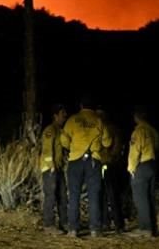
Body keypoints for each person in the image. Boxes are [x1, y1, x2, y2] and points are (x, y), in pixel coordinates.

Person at [60, 96, 111, 238]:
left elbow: (63, 140)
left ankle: (73, 229)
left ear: (81, 106)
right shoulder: (99, 121)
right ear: (93, 107)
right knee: (94, 195)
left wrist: (73, 147)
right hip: (94, 161)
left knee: (74, 194)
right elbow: (107, 142)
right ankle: (95, 229)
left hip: (75, 160)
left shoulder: (72, 120)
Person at [127, 106, 159, 237]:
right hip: (152, 164)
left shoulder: (138, 131)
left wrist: (131, 168)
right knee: (150, 197)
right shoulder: (153, 131)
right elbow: (157, 147)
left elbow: (135, 151)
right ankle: (153, 228)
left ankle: (145, 228)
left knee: (140, 198)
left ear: (136, 117)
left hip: (142, 165)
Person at [40, 103, 68, 234]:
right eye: (62, 115)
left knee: (62, 196)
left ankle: (64, 223)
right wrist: (50, 166)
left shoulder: (60, 131)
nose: (64, 117)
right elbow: (46, 150)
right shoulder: (50, 130)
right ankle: (48, 225)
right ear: (55, 116)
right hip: (50, 169)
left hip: (58, 168)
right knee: (50, 196)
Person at [97, 108, 125, 233]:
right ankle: (106, 223)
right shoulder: (99, 128)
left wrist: (110, 158)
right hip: (101, 165)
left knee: (112, 194)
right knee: (102, 194)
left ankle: (118, 224)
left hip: (108, 165)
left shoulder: (110, 129)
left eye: (100, 114)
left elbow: (117, 147)